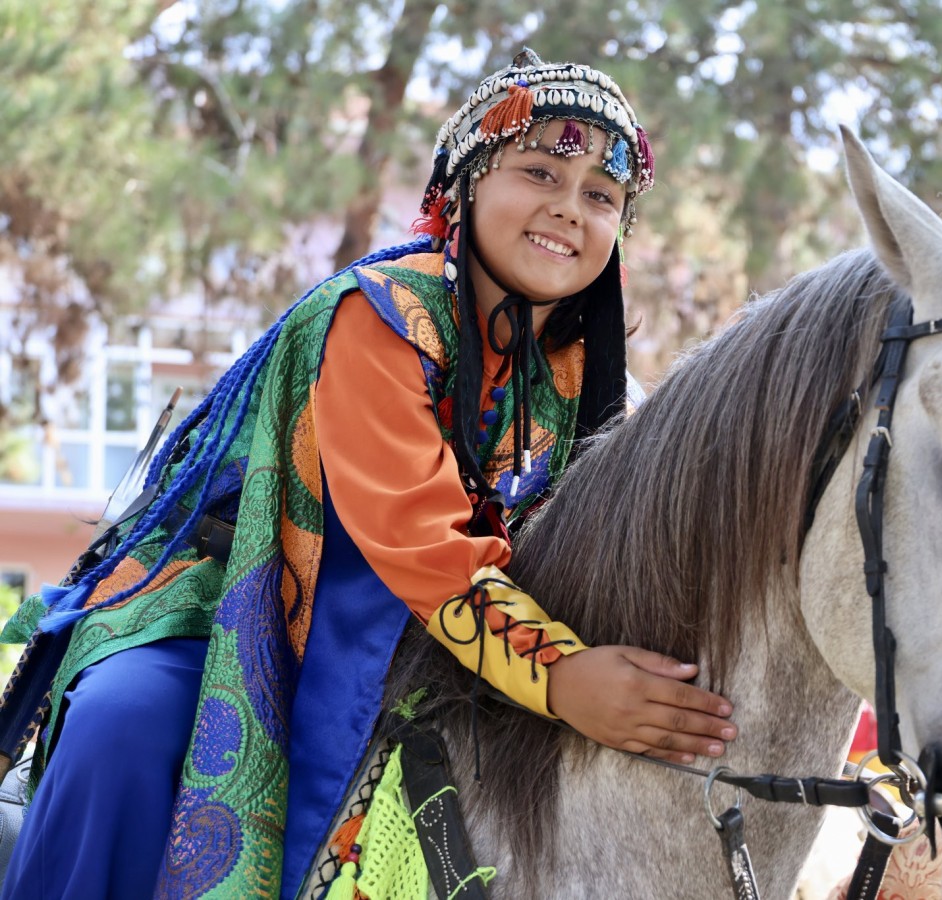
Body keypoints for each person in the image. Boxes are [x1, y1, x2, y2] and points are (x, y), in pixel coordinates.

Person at [0, 48, 737, 899]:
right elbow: (423, 547)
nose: (568, 210)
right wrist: (566, 680)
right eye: (540, 171)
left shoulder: (592, 380)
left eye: (601, 197)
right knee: (119, 726)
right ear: (464, 183)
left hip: (439, 651)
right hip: (251, 601)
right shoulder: (379, 316)